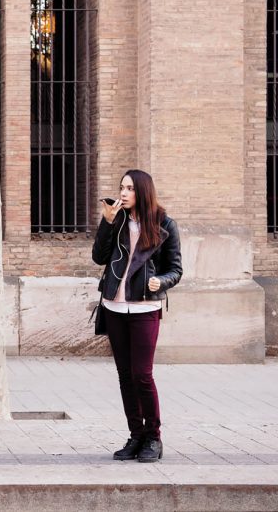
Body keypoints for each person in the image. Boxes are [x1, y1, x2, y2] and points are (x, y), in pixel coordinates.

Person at [91, 169, 182, 463]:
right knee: (125, 376)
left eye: (129, 188)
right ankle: (135, 435)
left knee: (142, 375)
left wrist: (162, 282)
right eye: (121, 187)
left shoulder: (165, 224)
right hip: (114, 308)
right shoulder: (116, 221)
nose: (123, 193)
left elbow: (175, 269)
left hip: (145, 308)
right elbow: (99, 257)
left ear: (142, 190)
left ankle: (154, 438)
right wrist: (106, 223)